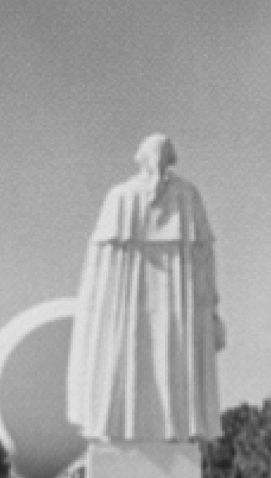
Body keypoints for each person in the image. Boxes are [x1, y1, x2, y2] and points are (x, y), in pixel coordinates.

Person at [67, 135, 225, 442]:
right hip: (131, 306)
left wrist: (212, 310)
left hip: (171, 305)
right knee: (132, 353)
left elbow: (202, 261)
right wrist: (213, 307)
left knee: (159, 353)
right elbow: (100, 270)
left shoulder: (170, 197)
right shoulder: (138, 197)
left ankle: (154, 427)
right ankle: (131, 425)